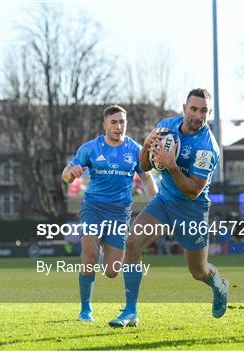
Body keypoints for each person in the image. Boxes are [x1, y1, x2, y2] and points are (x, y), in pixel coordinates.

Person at [108, 88, 228, 328]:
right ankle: (131, 311)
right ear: (184, 108)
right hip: (164, 201)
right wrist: (146, 147)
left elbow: (193, 190)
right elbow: (144, 165)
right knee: (132, 241)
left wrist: (172, 166)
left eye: (204, 110)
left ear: (209, 113)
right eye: (193, 109)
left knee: (198, 271)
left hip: (192, 210)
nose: (198, 115)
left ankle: (218, 284)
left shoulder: (207, 148)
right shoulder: (166, 127)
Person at [61, 105, 158, 322]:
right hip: (93, 207)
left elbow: (147, 178)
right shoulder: (90, 148)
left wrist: (156, 202)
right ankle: (85, 310)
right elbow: (66, 174)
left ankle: (103, 249)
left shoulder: (135, 150)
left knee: (113, 271)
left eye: (122, 122)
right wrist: (70, 174)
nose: (118, 126)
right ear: (105, 125)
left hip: (120, 211)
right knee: (89, 256)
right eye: (114, 122)